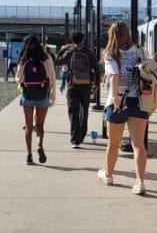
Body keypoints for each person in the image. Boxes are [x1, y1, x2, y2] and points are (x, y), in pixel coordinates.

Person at [99, 21, 150, 195]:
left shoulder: (110, 53)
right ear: (128, 33)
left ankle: (109, 175)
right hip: (139, 102)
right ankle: (140, 182)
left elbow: (114, 76)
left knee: (113, 144)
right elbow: (149, 70)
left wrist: (114, 98)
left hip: (119, 103)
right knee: (138, 145)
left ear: (111, 35)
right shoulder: (141, 51)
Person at [16, 34, 56, 165]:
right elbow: (52, 78)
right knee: (40, 126)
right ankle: (39, 144)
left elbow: (18, 78)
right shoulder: (46, 58)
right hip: (42, 95)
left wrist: (22, 83)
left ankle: (29, 155)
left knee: (28, 127)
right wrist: (52, 96)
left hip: (28, 96)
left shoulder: (24, 58)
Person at [59, 32, 98, 147]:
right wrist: (96, 85)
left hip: (73, 85)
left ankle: (75, 139)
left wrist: (63, 49)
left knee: (73, 111)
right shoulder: (88, 52)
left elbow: (57, 61)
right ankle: (81, 134)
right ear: (83, 40)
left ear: (72, 41)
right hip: (86, 85)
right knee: (84, 110)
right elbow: (96, 68)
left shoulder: (70, 52)